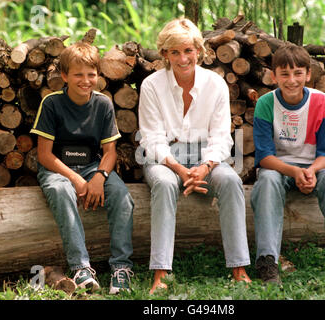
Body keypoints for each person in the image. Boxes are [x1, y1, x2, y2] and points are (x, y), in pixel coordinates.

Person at [138, 18, 252, 294]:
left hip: (207, 155)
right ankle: (161, 273)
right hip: (164, 157)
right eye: (174, 52)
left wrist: (204, 166)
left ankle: (239, 268)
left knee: (230, 181)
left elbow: (222, 137)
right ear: (164, 54)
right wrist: (179, 169)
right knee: (165, 184)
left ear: (199, 51)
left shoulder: (215, 84)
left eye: (188, 50)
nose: (183, 58)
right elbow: (152, 139)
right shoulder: (152, 85)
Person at [251, 43, 325, 284]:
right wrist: (295, 172)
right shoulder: (265, 104)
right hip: (278, 167)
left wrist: (311, 171)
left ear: (308, 74)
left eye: (298, 73)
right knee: (266, 180)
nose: (292, 80)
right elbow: (264, 156)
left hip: (314, 167)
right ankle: (267, 260)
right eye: (284, 74)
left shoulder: (322, 102)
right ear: (273, 76)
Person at [30, 41, 134, 294]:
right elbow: (44, 155)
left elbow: (110, 152)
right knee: (60, 191)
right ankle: (81, 268)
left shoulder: (103, 104)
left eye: (91, 74)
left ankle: (121, 267)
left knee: (122, 196)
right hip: (58, 169)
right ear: (64, 76)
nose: (85, 80)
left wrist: (99, 177)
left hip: (93, 167)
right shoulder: (52, 103)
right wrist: (76, 180)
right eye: (78, 74)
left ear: (98, 75)